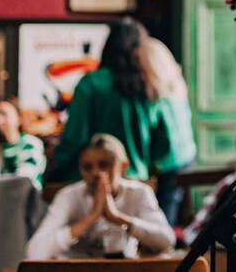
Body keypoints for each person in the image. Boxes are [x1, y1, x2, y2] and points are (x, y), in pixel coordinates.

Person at [51, 17, 169, 182]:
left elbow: (75, 138)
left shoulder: (90, 83)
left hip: (92, 182)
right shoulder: (150, 85)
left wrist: (57, 161)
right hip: (138, 180)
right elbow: (164, 142)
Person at [26, 133, 174, 259]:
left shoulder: (138, 192)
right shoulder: (69, 196)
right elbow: (34, 252)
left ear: (123, 166)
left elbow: (167, 241)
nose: (95, 173)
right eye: (87, 167)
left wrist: (117, 217)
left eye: (104, 165)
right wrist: (91, 217)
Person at [137, 36, 197, 226]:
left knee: (162, 219)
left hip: (169, 164)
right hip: (187, 157)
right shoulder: (177, 87)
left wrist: (150, 165)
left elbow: (165, 141)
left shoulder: (156, 98)